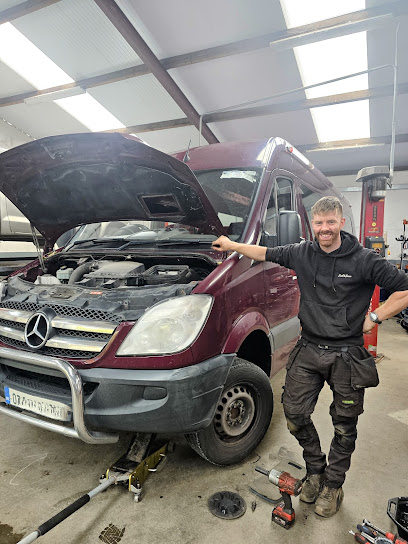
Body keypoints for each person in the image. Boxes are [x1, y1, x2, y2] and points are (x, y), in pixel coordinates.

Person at [212, 196, 408, 518]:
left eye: (330, 222)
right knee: (294, 414)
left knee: (344, 424)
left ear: (341, 222)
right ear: (312, 224)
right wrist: (232, 244)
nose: (324, 228)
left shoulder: (364, 260)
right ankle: (315, 470)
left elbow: (404, 289)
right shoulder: (301, 252)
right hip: (310, 348)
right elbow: (263, 252)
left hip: (347, 354)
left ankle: (334, 483)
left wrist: (375, 317)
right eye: (319, 223)